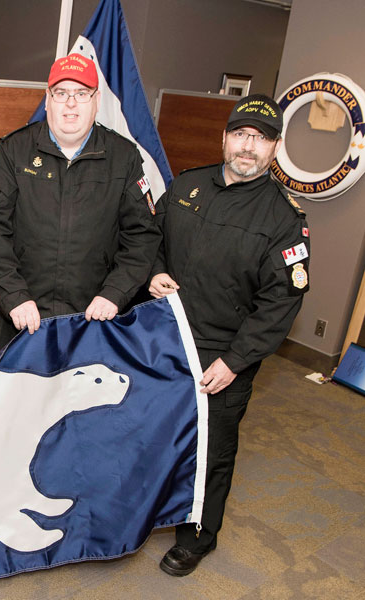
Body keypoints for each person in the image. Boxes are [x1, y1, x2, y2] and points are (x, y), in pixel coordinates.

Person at [150, 94, 310, 576]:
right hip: (164, 339)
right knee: (155, 431)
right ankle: (148, 510)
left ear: (274, 148)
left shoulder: (284, 217)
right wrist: (152, 273)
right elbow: (147, 239)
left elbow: (281, 302)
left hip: (223, 356)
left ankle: (199, 535)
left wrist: (235, 361)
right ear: (224, 138)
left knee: (212, 449)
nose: (248, 147)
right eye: (240, 134)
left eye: (260, 139)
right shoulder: (186, 184)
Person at [0, 53, 160, 353]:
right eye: (61, 93)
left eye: (81, 93)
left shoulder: (124, 158)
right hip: (23, 319)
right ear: (47, 99)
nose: (70, 103)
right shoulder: (14, 151)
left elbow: (142, 237)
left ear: (96, 100)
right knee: (21, 400)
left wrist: (114, 294)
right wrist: (13, 296)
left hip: (94, 321)